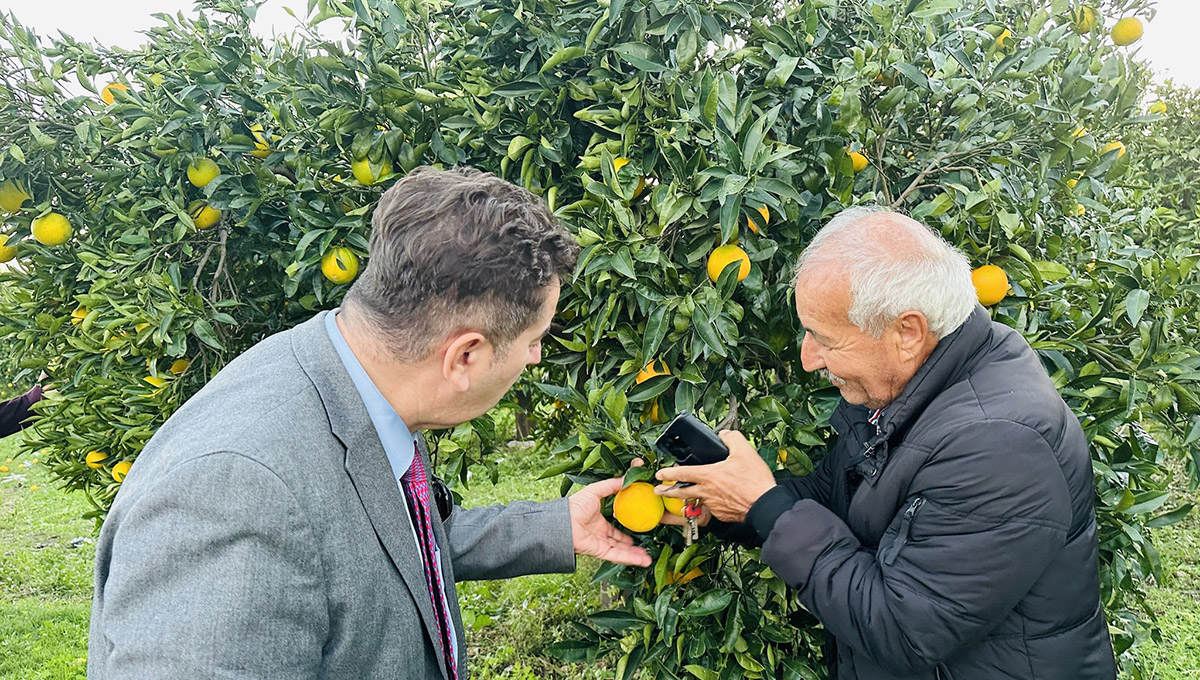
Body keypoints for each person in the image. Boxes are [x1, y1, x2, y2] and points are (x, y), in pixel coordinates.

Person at [88, 166, 652, 680]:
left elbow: (383, 541)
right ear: (465, 357)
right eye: (533, 340)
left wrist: (554, 527)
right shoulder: (237, 493)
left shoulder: (363, 376)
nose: (534, 357)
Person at [657, 206, 1116, 679]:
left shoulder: (1001, 444)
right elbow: (832, 496)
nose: (809, 359)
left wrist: (763, 504)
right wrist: (728, 505)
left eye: (826, 340)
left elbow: (906, 631)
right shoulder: (910, 387)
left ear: (907, 332)